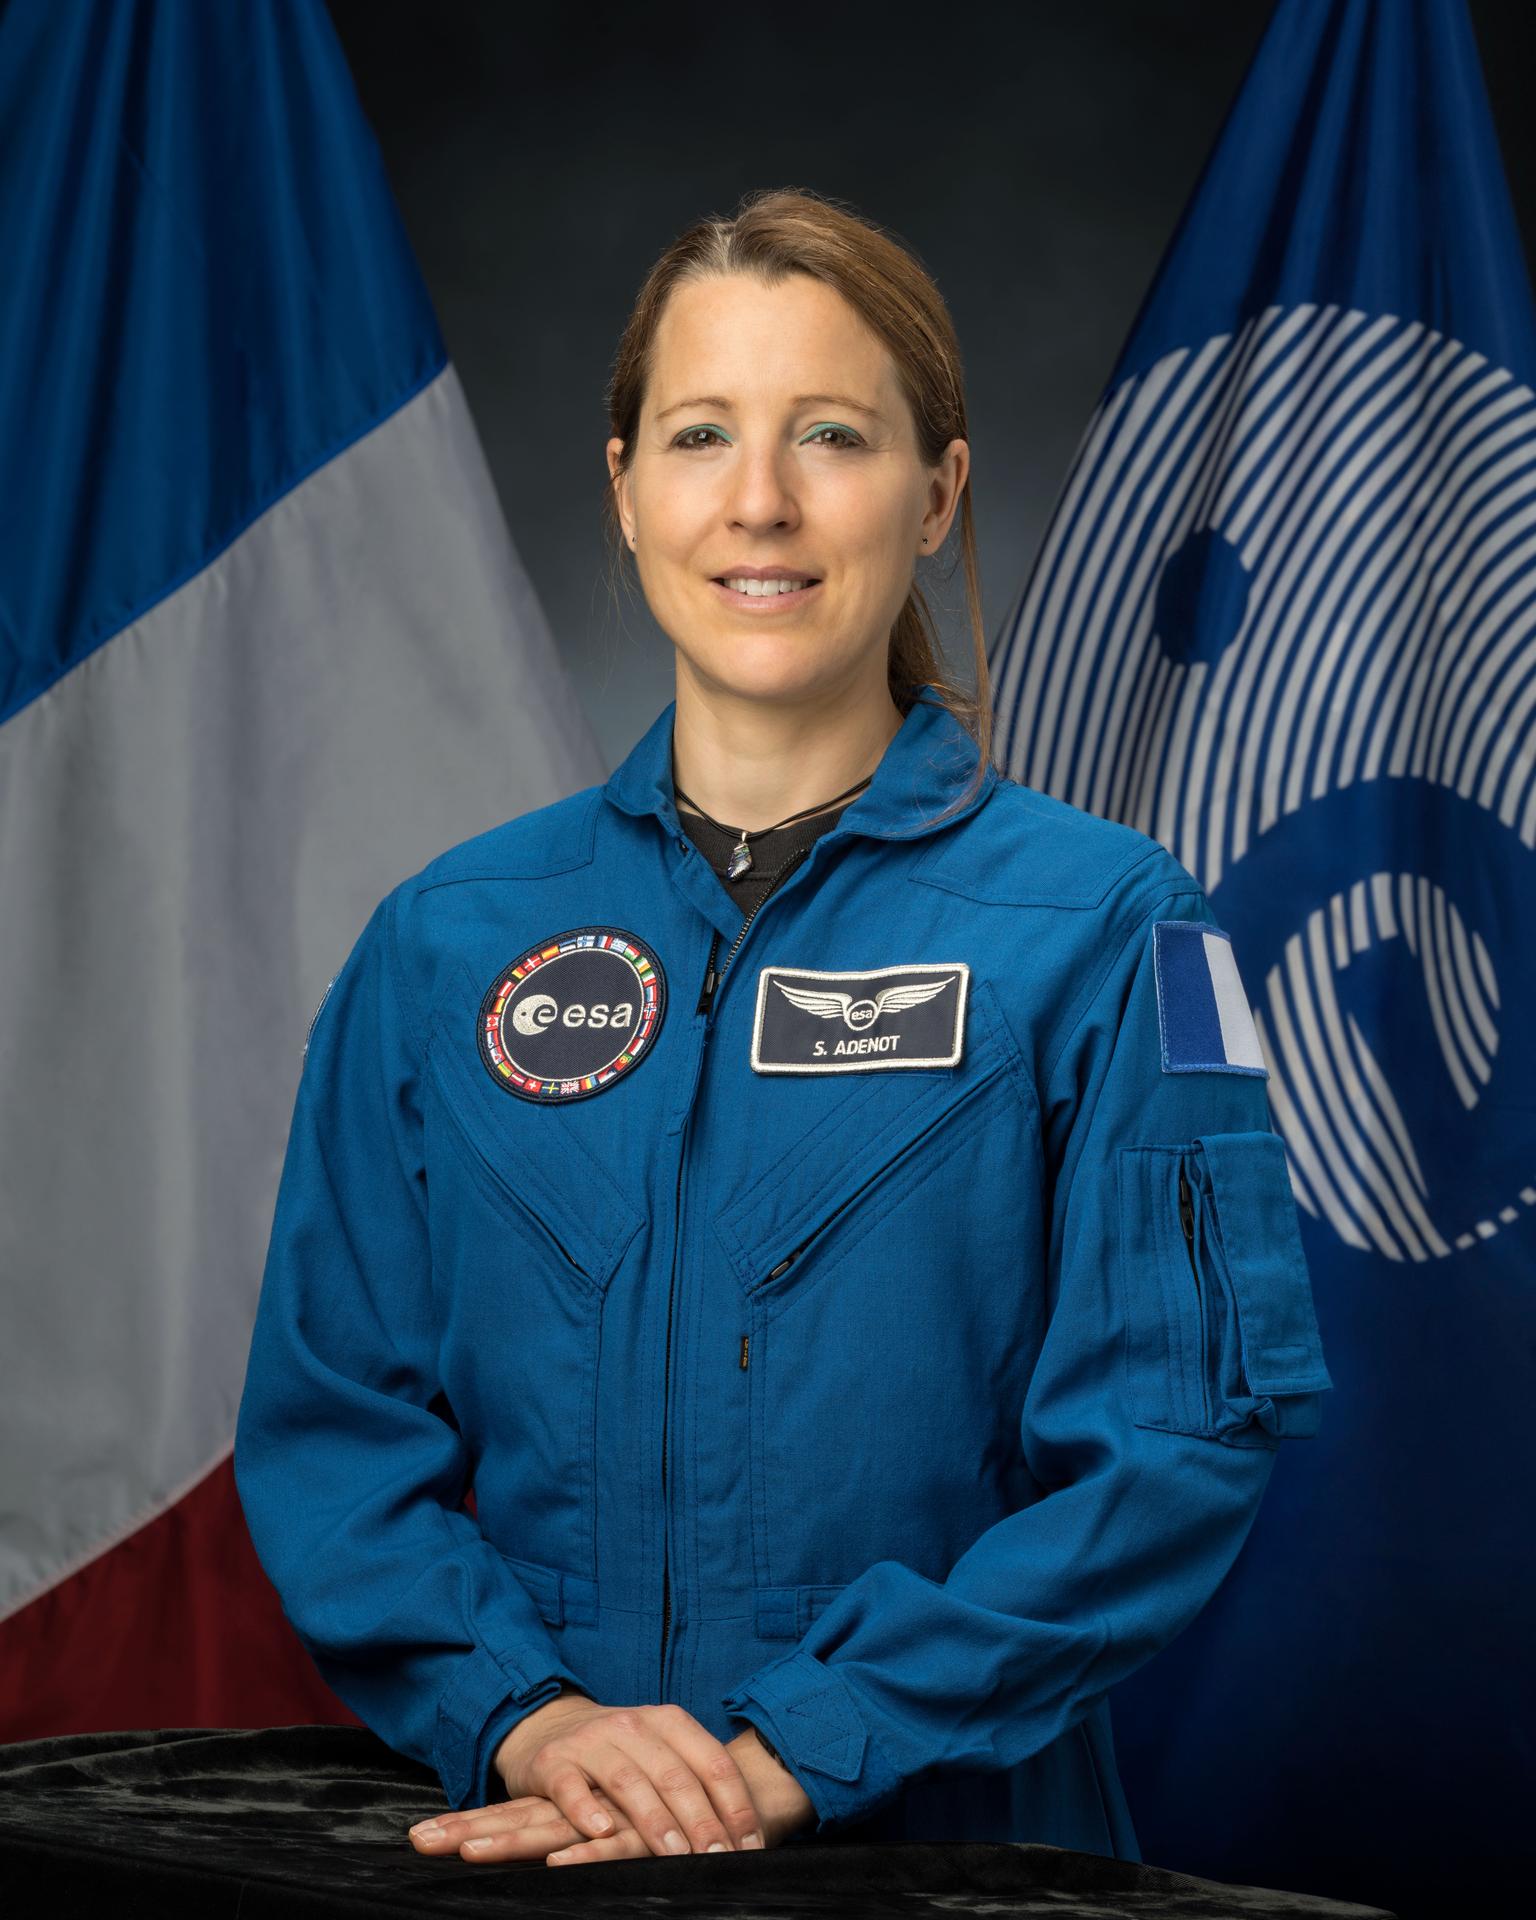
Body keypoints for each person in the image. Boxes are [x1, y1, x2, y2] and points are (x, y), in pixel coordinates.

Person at [233, 185, 1333, 1872]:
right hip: (550, 1838)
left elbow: (1172, 1448)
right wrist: (530, 1716)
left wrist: (798, 1753)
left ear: (939, 485)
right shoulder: (445, 943)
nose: (759, 502)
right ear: (621, 489)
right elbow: (334, 1429)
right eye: (697, 436)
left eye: (831, 434)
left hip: (963, 1857)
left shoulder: (1116, 930)